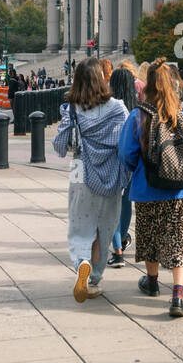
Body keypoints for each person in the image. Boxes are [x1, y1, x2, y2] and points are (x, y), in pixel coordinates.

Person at [119, 57, 183, 318]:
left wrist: (142, 166)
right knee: (181, 240)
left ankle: (153, 281)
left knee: (151, 235)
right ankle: (178, 295)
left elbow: (126, 153)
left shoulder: (139, 115)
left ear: (149, 85)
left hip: (149, 187)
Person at [53, 59, 130, 303]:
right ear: (102, 78)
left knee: (79, 224)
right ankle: (94, 277)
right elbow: (127, 141)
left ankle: (81, 263)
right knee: (105, 225)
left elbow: (60, 146)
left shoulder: (73, 108)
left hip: (80, 168)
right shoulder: (117, 107)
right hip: (111, 171)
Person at [107, 67, 138, 266]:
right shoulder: (136, 108)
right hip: (131, 161)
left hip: (111, 161)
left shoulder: (110, 107)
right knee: (126, 202)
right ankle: (124, 236)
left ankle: (117, 249)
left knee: (111, 205)